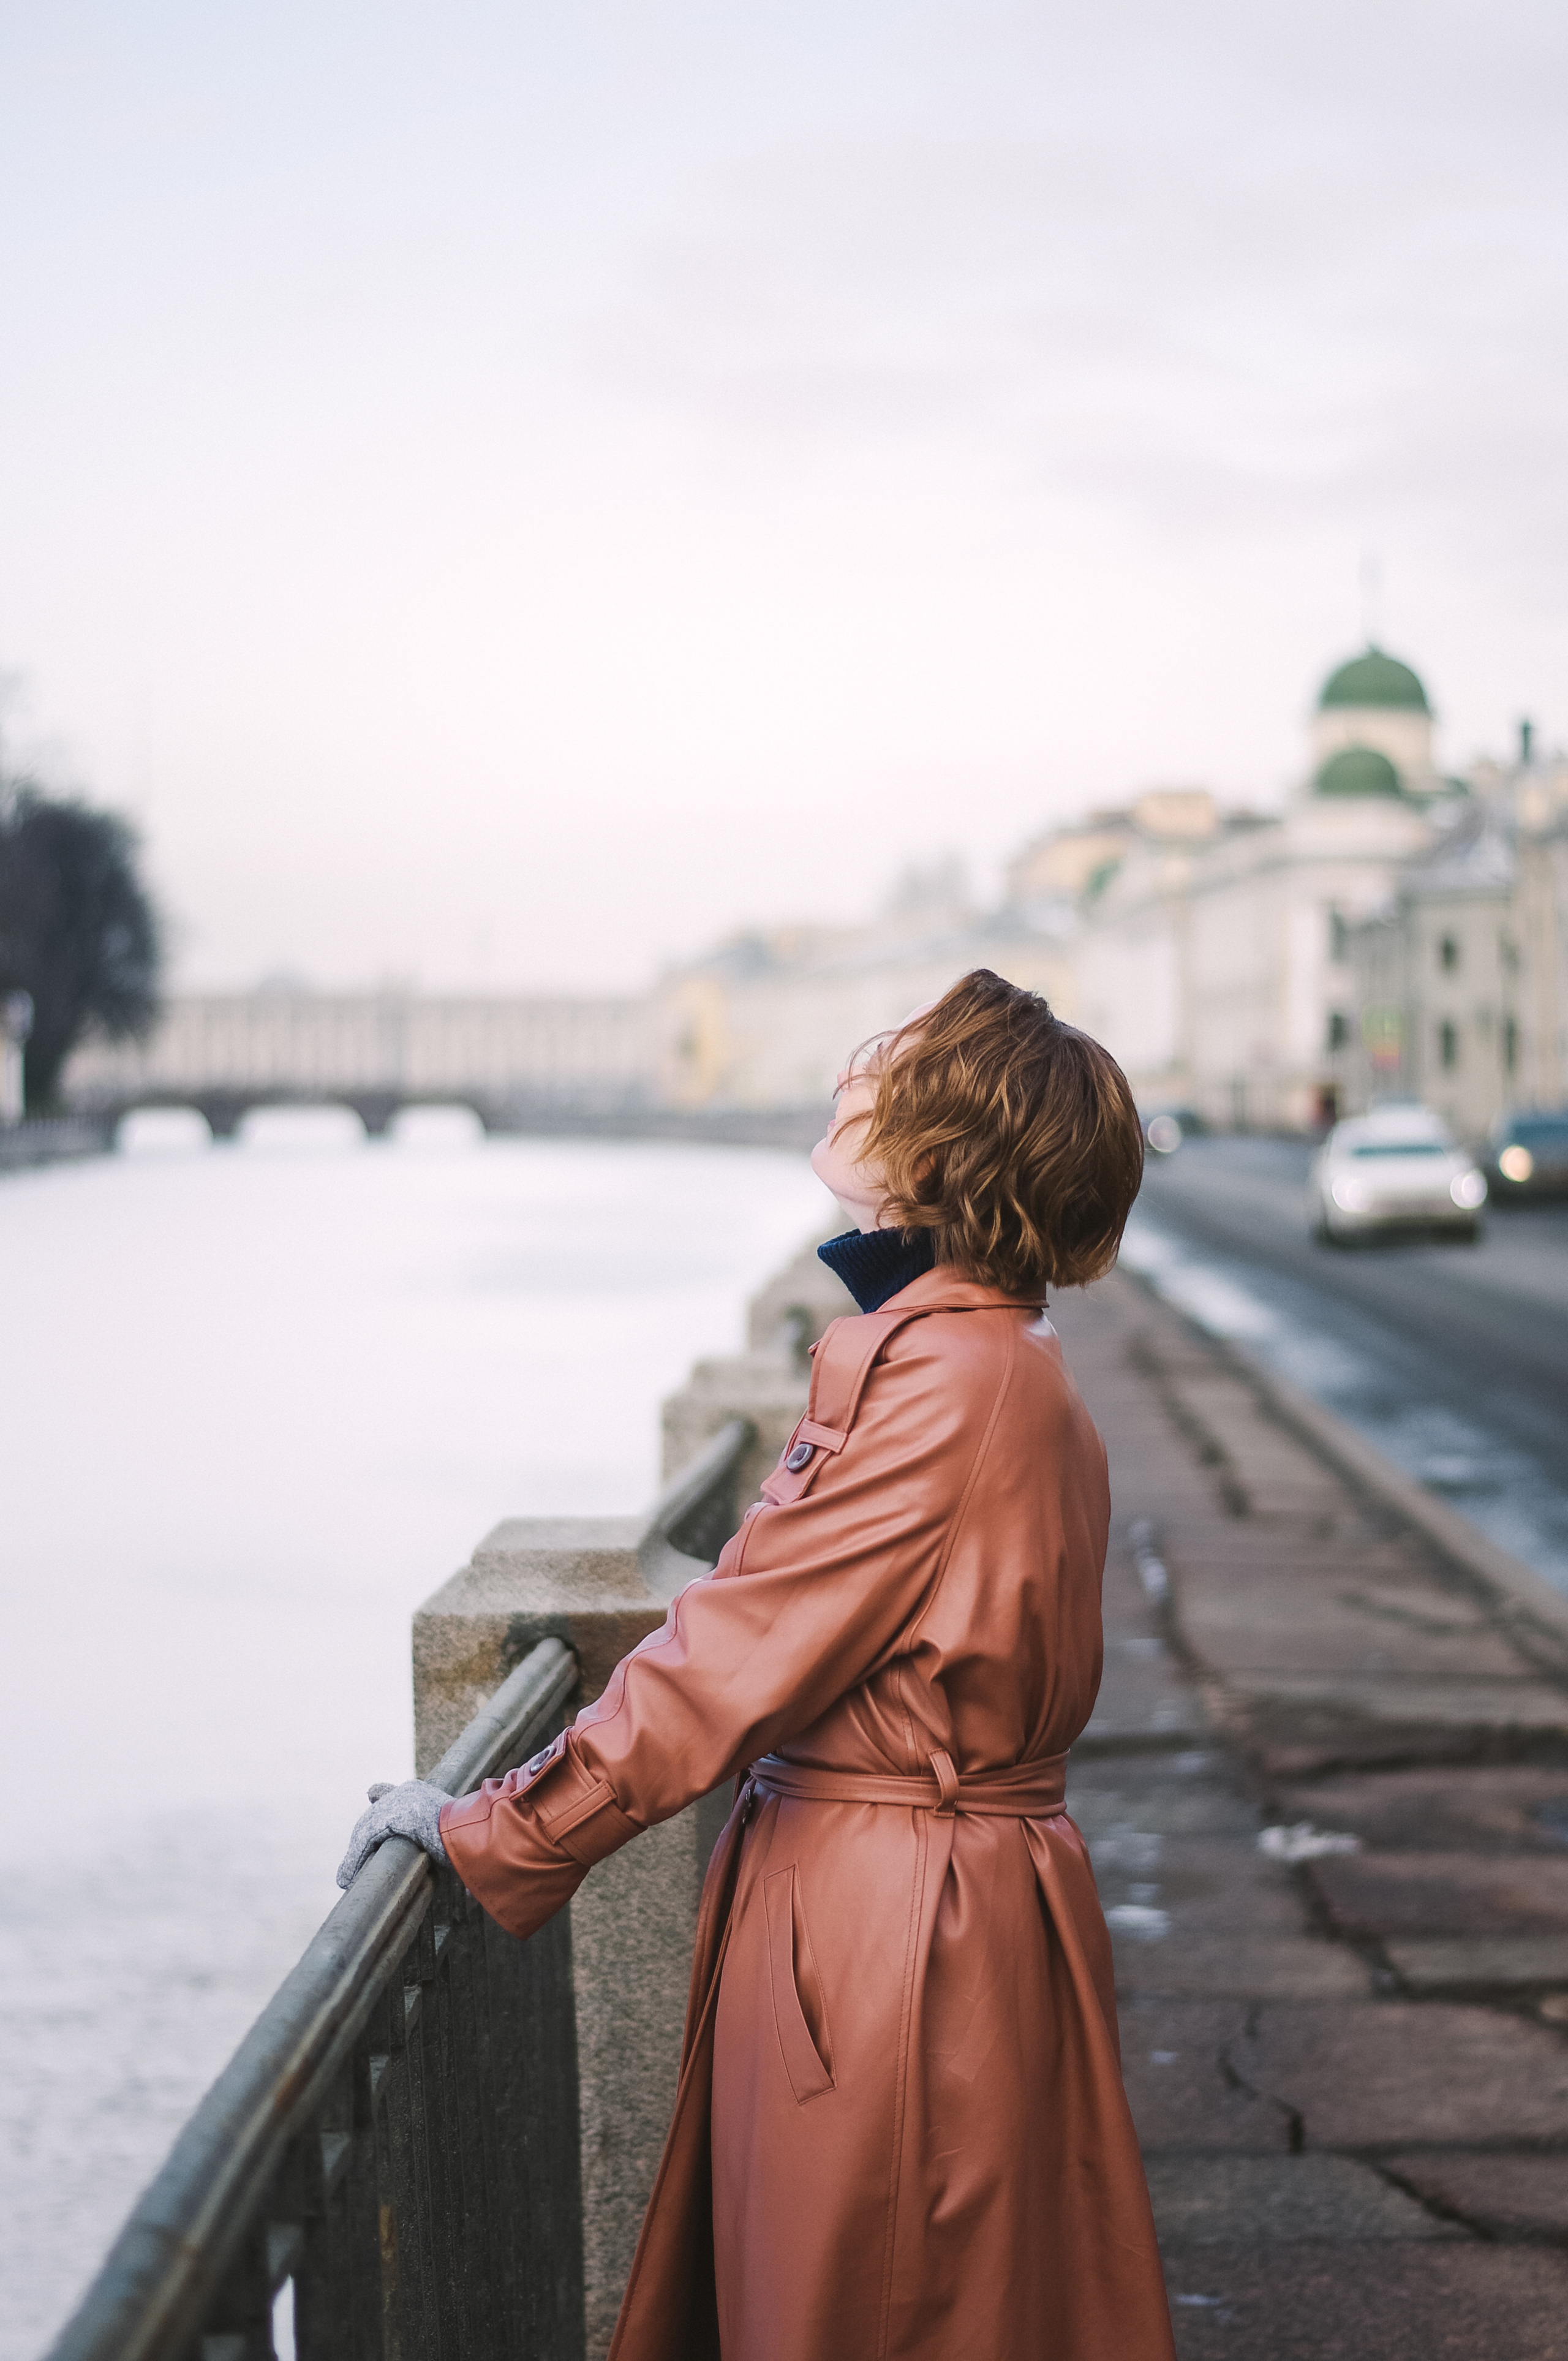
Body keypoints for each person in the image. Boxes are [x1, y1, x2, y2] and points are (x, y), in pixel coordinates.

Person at [338, 966, 1175, 2361]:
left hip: (886, 1929)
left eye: (899, 1087)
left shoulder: (946, 1382)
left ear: (947, 1152)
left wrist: (498, 1827)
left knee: (865, 2303)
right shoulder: (982, 1358)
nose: (863, 1099)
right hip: (918, 1901)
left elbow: (730, 1649)